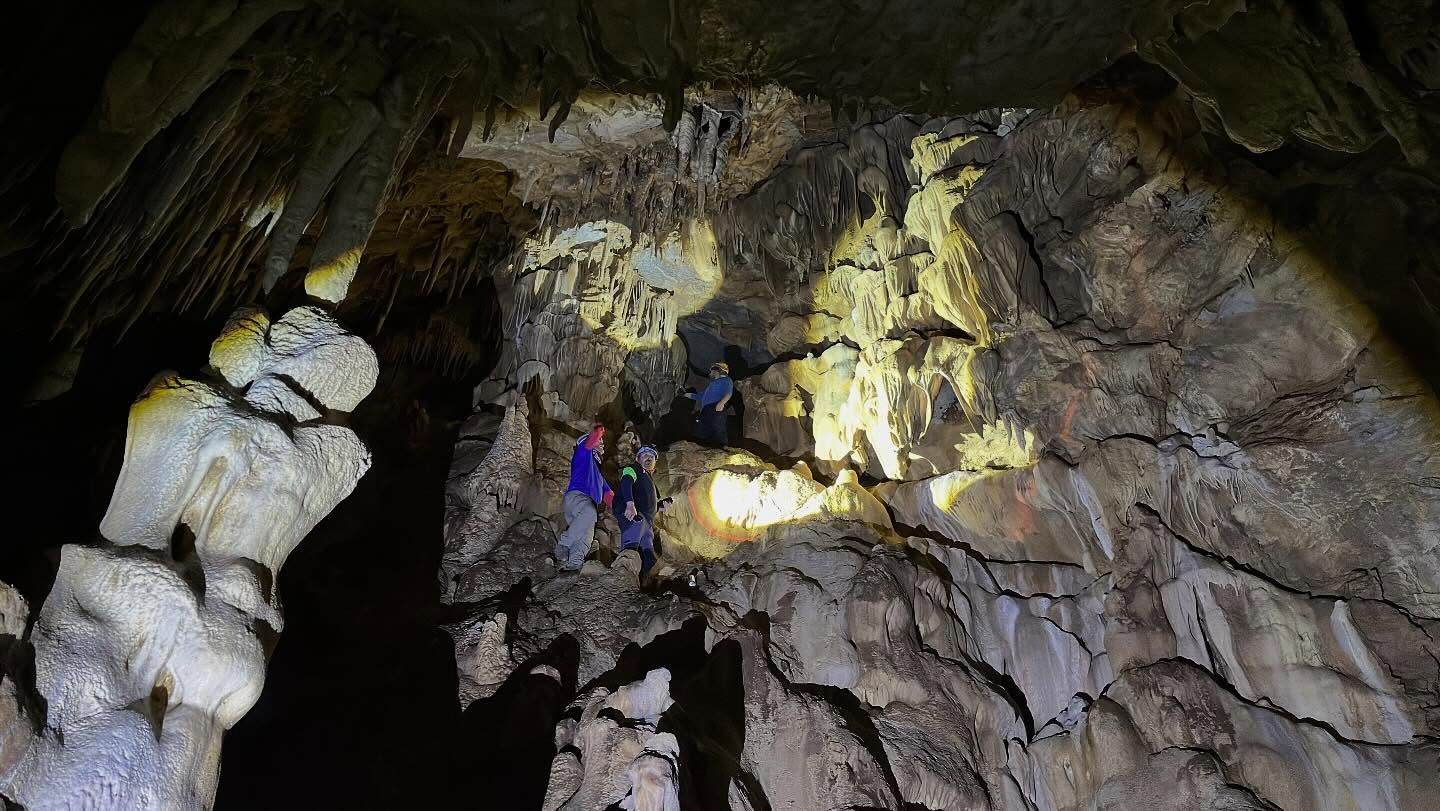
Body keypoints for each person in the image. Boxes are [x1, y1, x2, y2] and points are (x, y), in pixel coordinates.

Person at [555, 425, 614, 571]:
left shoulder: (599, 477)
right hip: (577, 498)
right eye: (600, 443)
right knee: (589, 512)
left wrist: (625, 509)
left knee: (585, 539)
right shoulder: (582, 454)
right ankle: (563, 543)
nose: (602, 445)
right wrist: (599, 431)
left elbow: (610, 497)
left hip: (587, 508)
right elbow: (590, 441)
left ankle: (573, 566)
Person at [615, 445, 670, 578]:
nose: (649, 458)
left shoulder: (649, 481)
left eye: (652, 457)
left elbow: (647, 504)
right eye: (645, 455)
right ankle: (622, 580)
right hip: (635, 517)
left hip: (647, 522)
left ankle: (650, 585)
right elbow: (626, 482)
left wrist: (659, 506)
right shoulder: (633, 469)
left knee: (649, 555)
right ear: (637, 458)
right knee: (630, 548)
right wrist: (629, 503)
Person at [684, 361, 732, 446]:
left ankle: (721, 449)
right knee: (701, 432)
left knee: (718, 431)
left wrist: (722, 402)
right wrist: (685, 394)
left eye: (711, 371)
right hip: (706, 410)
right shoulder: (712, 385)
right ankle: (702, 449)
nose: (710, 373)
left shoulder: (726, 380)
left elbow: (728, 392)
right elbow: (700, 396)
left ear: (717, 371)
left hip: (716, 408)